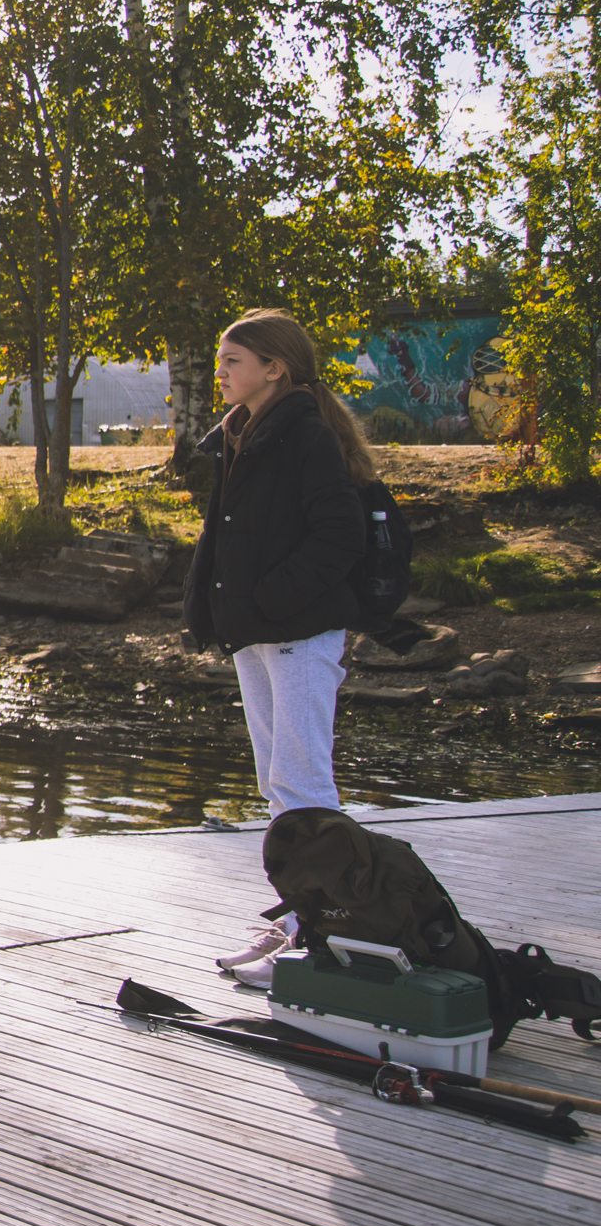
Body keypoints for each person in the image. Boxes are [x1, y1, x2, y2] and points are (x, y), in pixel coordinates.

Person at [180, 308, 370, 985]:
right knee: (277, 783)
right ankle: (298, 918)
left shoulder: (304, 435)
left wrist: (272, 600)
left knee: (305, 783)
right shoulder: (241, 433)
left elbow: (340, 536)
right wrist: (214, 607)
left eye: (233, 361)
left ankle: (325, 931)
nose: (222, 373)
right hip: (255, 635)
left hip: (298, 633)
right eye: (220, 361)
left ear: (274, 367)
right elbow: (230, 536)